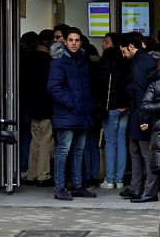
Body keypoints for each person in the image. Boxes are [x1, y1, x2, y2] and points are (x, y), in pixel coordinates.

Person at [48, 27, 97, 201]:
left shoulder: (83, 59)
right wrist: (73, 103)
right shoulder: (59, 61)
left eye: (77, 40)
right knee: (63, 150)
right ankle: (59, 187)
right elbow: (53, 88)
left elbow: (87, 85)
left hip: (82, 113)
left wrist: (88, 105)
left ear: (81, 42)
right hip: (67, 113)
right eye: (71, 40)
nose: (74, 43)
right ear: (65, 41)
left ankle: (78, 186)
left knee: (79, 150)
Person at [119, 32, 159, 203]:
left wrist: (143, 119)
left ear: (131, 47)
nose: (123, 55)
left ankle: (148, 190)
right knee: (136, 150)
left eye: (123, 51)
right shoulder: (144, 61)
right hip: (140, 113)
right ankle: (137, 187)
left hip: (141, 114)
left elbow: (142, 93)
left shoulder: (139, 64)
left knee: (144, 153)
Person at [98, 32, 131, 189]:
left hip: (111, 105)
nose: (103, 44)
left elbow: (103, 80)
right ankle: (119, 179)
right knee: (121, 141)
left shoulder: (108, 56)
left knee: (110, 142)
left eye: (106, 41)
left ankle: (110, 180)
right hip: (126, 105)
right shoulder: (126, 56)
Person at [25, 29, 55, 187]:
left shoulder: (30, 58)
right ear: (50, 43)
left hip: (33, 105)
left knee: (34, 141)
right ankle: (43, 175)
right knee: (45, 141)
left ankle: (31, 174)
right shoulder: (49, 60)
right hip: (46, 105)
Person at [141, 53, 160, 191]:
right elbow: (145, 106)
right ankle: (151, 191)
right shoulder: (155, 83)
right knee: (157, 162)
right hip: (159, 127)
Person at [81, 35, 102, 189]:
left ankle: (86, 176)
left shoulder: (82, 66)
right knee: (93, 144)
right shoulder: (99, 65)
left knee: (83, 145)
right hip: (95, 108)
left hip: (83, 108)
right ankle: (94, 175)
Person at [18, 31, 39, 181]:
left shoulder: (15, 54)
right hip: (30, 101)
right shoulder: (34, 57)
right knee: (27, 135)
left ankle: (17, 165)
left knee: (18, 133)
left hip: (16, 100)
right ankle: (24, 166)